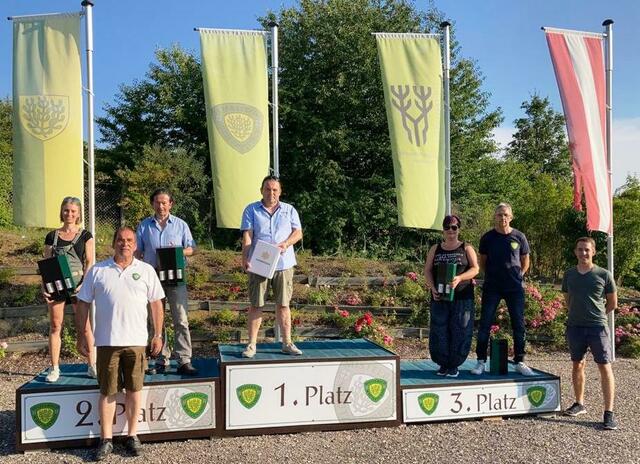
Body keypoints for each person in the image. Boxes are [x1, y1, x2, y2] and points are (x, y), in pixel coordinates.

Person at [75, 227, 165, 460]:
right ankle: (106, 439)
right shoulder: (98, 271)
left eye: (129, 240)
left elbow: (156, 304)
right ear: (113, 243)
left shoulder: (146, 271)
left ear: (135, 245)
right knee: (107, 392)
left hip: (136, 342)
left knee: (135, 390)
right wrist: (82, 334)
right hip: (107, 342)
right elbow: (83, 303)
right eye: (120, 240)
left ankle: (132, 435)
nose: (124, 244)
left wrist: (157, 334)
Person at [135, 189, 198, 375]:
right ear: (152, 204)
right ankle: (160, 359)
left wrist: (177, 251)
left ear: (171, 204)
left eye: (164, 202)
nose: (161, 206)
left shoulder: (180, 225)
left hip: (175, 275)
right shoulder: (144, 226)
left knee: (181, 318)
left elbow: (192, 249)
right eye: (157, 202)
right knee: (155, 320)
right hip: (152, 276)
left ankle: (184, 359)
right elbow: (138, 251)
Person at [240, 175, 303, 358]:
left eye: (275, 189)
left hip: (283, 264)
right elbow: (248, 236)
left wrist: (286, 243)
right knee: (256, 304)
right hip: (259, 263)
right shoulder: (251, 210)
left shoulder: (289, 210)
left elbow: (298, 232)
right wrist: (245, 257)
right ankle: (252, 344)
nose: (271, 193)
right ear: (261, 190)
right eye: (268, 189)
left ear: (280, 192)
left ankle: (287, 343)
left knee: (283, 305)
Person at [471, 202, 534, 376]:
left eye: (506, 215)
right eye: (499, 214)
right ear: (495, 217)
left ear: (511, 217)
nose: (503, 218)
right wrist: (491, 275)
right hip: (492, 287)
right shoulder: (487, 238)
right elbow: (482, 261)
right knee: (485, 324)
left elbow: (525, 260)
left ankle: (520, 361)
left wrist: (519, 275)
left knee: (519, 325)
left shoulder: (519, 237)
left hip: (514, 288)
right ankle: (481, 361)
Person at [562, 237, 617, 430]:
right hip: (575, 326)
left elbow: (612, 303)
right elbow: (568, 300)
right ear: (575, 251)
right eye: (580, 249)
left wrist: (597, 316)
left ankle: (609, 413)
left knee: (604, 366)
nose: (583, 253)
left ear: (593, 252)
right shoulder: (569, 275)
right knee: (577, 364)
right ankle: (579, 403)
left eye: (587, 250)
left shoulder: (603, 274)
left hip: (597, 328)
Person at [42, 197, 95, 383]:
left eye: (73, 211)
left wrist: (85, 283)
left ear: (79, 213)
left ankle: (92, 365)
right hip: (57, 285)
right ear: (61, 211)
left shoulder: (85, 235)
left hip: (79, 284)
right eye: (66, 210)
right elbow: (46, 264)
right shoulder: (52, 236)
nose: (69, 214)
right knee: (56, 326)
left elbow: (90, 261)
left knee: (85, 326)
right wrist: (45, 287)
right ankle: (55, 368)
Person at [424, 215, 480, 377]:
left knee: (461, 331)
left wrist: (460, 278)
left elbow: (475, 269)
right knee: (439, 331)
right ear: (443, 230)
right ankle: (443, 363)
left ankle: (454, 365)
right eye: (447, 227)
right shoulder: (435, 248)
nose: (451, 231)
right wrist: (432, 287)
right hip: (439, 297)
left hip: (462, 297)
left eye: (454, 227)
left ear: (459, 229)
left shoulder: (466, 248)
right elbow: (427, 270)